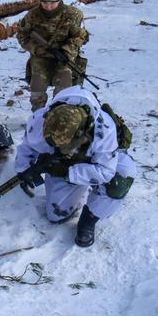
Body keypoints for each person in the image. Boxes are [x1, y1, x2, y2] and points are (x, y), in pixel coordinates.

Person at [15, 87, 136, 247]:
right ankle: (76, 187)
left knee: (121, 178)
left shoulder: (104, 129)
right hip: (64, 162)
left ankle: (89, 218)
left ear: (80, 133)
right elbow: (27, 147)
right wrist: (24, 168)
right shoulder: (38, 120)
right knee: (57, 215)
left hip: (102, 161)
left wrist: (66, 172)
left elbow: (105, 171)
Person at [17, 0, 90, 111]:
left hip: (64, 57)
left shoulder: (73, 15)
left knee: (64, 84)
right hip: (41, 56)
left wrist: (67, 51)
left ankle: (57, 113)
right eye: (44, 2)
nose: (48, 6)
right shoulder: (32, 15)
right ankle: (37, 115)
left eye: (52, 3)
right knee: (37, 86)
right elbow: (22, 35)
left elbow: (80, 37)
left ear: (60, 0)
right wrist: (37, 49)